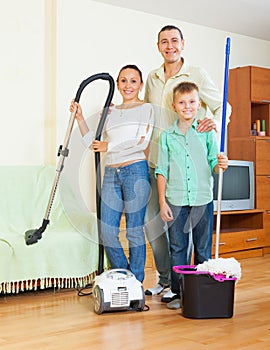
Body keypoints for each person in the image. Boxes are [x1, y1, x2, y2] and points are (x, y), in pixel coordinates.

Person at [144, 24, 231, 301]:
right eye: (164, 42)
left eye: (174, 41)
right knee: (155, 224)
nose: (169, 46)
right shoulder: (153, 78)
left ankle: (193, 287)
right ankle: (168, 279)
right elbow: (148, 115)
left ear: (183, 44)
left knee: (191, 233)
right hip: (159, 162)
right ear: (158, 46)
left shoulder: (196, 75)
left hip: (192, 166)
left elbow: (223, 106)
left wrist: (212, 124)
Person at [70, 64, 154, 282]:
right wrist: (80, 118)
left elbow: (141, 141)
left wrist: (110, 146)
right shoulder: (110, 112)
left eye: (133, 81)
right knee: (107, 231)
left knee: (134, 231)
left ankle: (135, 284)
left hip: (135, 170)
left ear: (141, 84)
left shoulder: (146, 109)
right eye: (123, 81)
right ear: (117, 84)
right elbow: (94, 144)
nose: (128, 85)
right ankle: (124, 276)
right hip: (111, 175)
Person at [155, 81, 228, 309]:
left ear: (199, 105)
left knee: (202, 247)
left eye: (192, 102)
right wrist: (162, 201)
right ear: (174, 105)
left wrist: (221, 164)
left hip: (202, 199)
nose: (187, 106)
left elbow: (214, 163)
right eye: (182, 102)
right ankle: (178, 291)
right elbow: (161, 170)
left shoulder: (207, 133)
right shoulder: (167, 136)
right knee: (177, 247)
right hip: (175, 200)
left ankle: (202, 289)